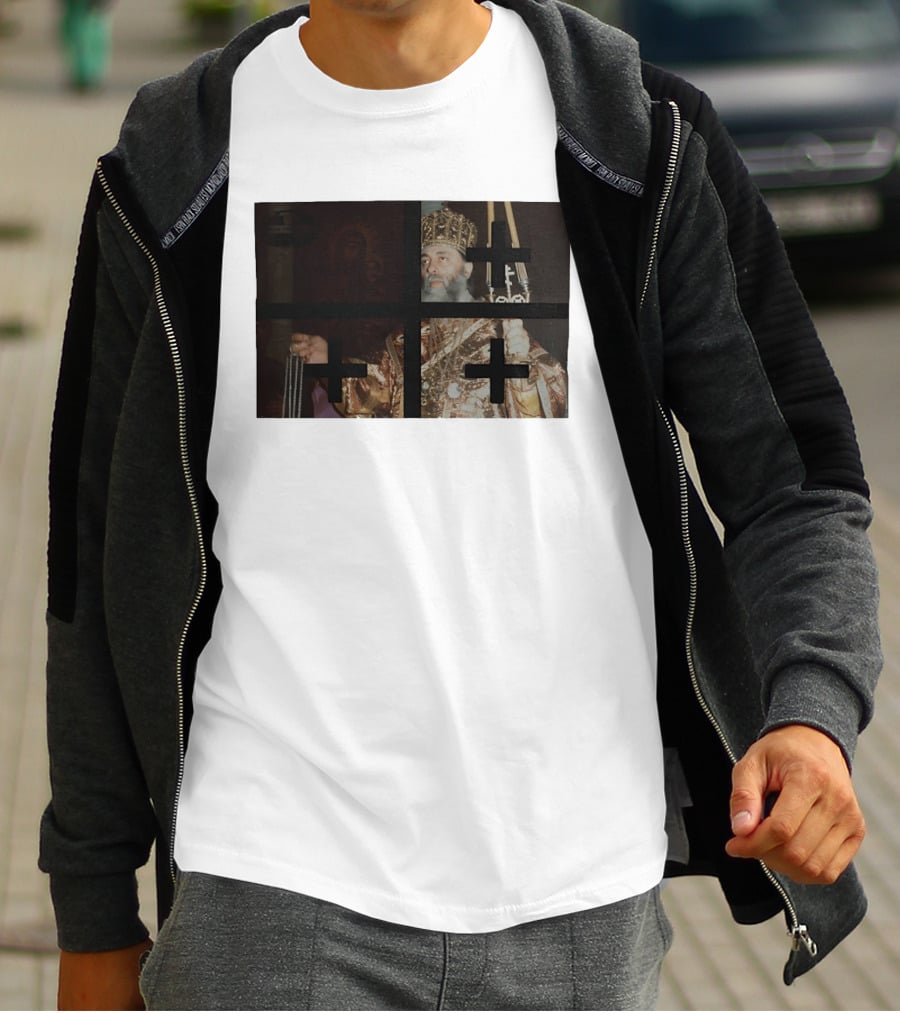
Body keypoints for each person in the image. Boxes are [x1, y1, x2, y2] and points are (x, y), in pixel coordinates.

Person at [40, 0, 882, 1009]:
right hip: (268, 883)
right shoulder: (174, 166)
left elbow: (795, 480)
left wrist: (813, 713)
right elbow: (90, 551)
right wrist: (93, 904)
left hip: (579, 887)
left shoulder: (633, 137)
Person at [290, 206, 569, 417]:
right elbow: (370, 393)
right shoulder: (406, 340)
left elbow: (547, 405)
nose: (430, 268)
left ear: (467, 269)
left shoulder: (498, 330)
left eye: (442, 258)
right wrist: (329, 361)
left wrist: (520, 366)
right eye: (424, 260)